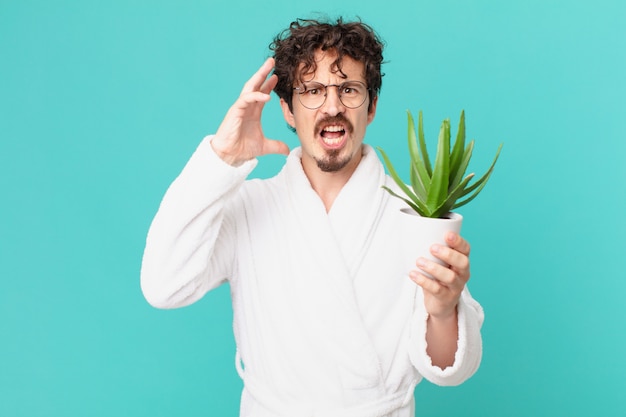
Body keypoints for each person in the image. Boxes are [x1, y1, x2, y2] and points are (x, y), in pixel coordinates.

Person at [141, 17, 483, 417]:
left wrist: (444, 310)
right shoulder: (248, 206)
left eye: (349, 90)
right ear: (286, 109)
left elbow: (447, 371)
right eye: (313, 91)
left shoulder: (415, 213)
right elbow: (163, 286)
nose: (333, 107)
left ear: (371, 107)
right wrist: (223, 156)